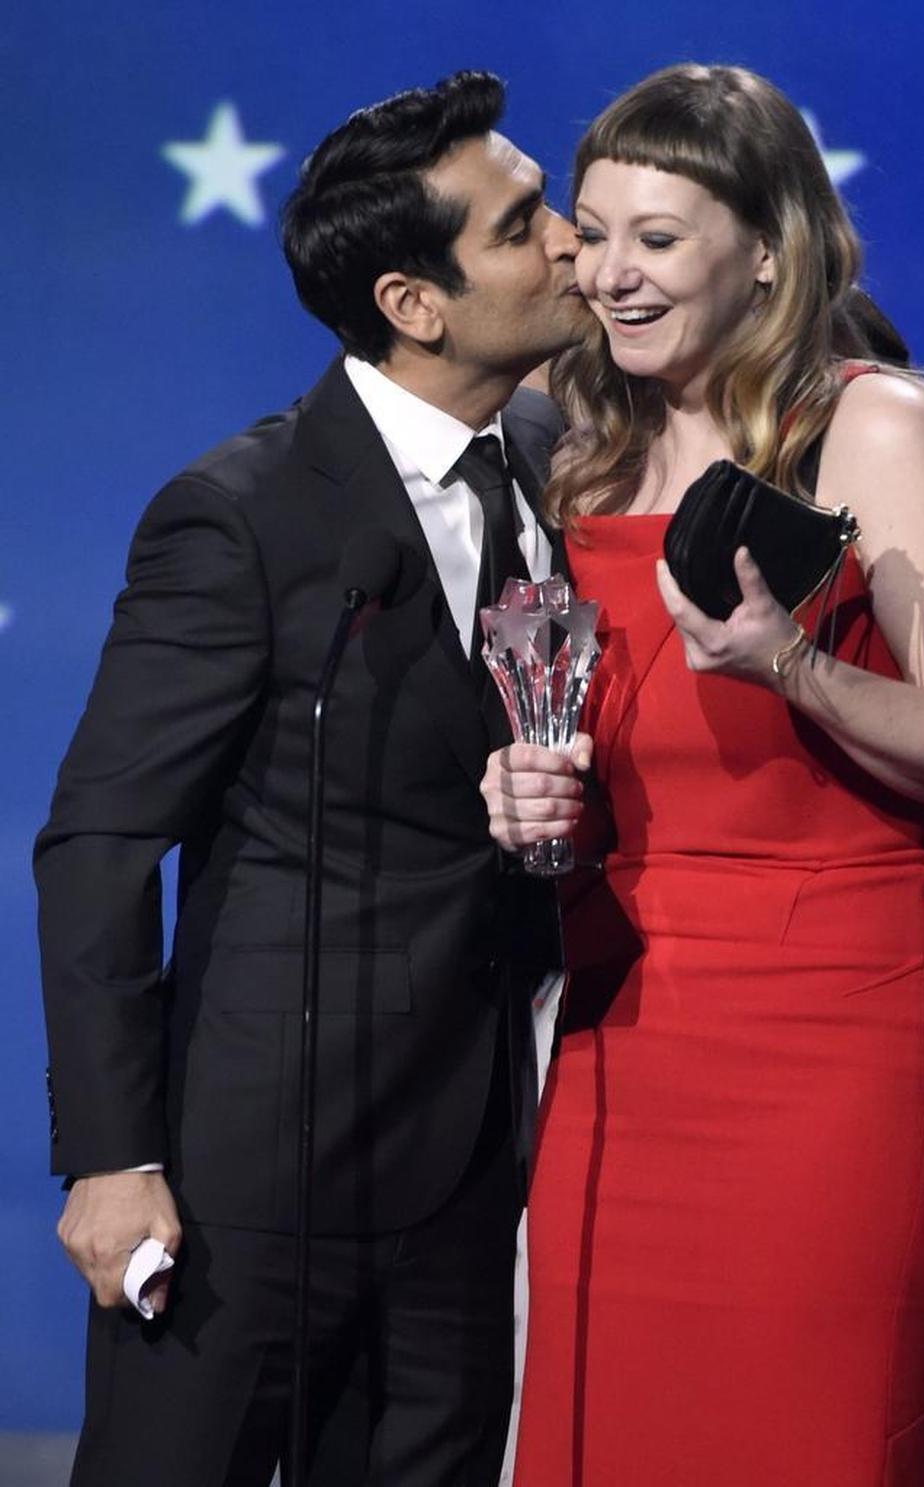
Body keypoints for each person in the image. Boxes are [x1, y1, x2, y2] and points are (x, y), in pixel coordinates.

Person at [482, 63, 924, 1485]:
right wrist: (528, 794)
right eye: (591, 234)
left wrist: (795, 665)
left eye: (656, 241)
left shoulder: (873, 426)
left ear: (772, 252)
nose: (608, 273)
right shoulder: (580, 443)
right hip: (616, 1030)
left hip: (836, 1039)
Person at [35, 70, 586, 1487]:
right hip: (249, 1177)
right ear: (417, 302)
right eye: (525, 223)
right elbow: (99, 843)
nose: (571, 239)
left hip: (467, 1163)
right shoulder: (243, 515)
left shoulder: (548, 461)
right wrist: (110, 1158)